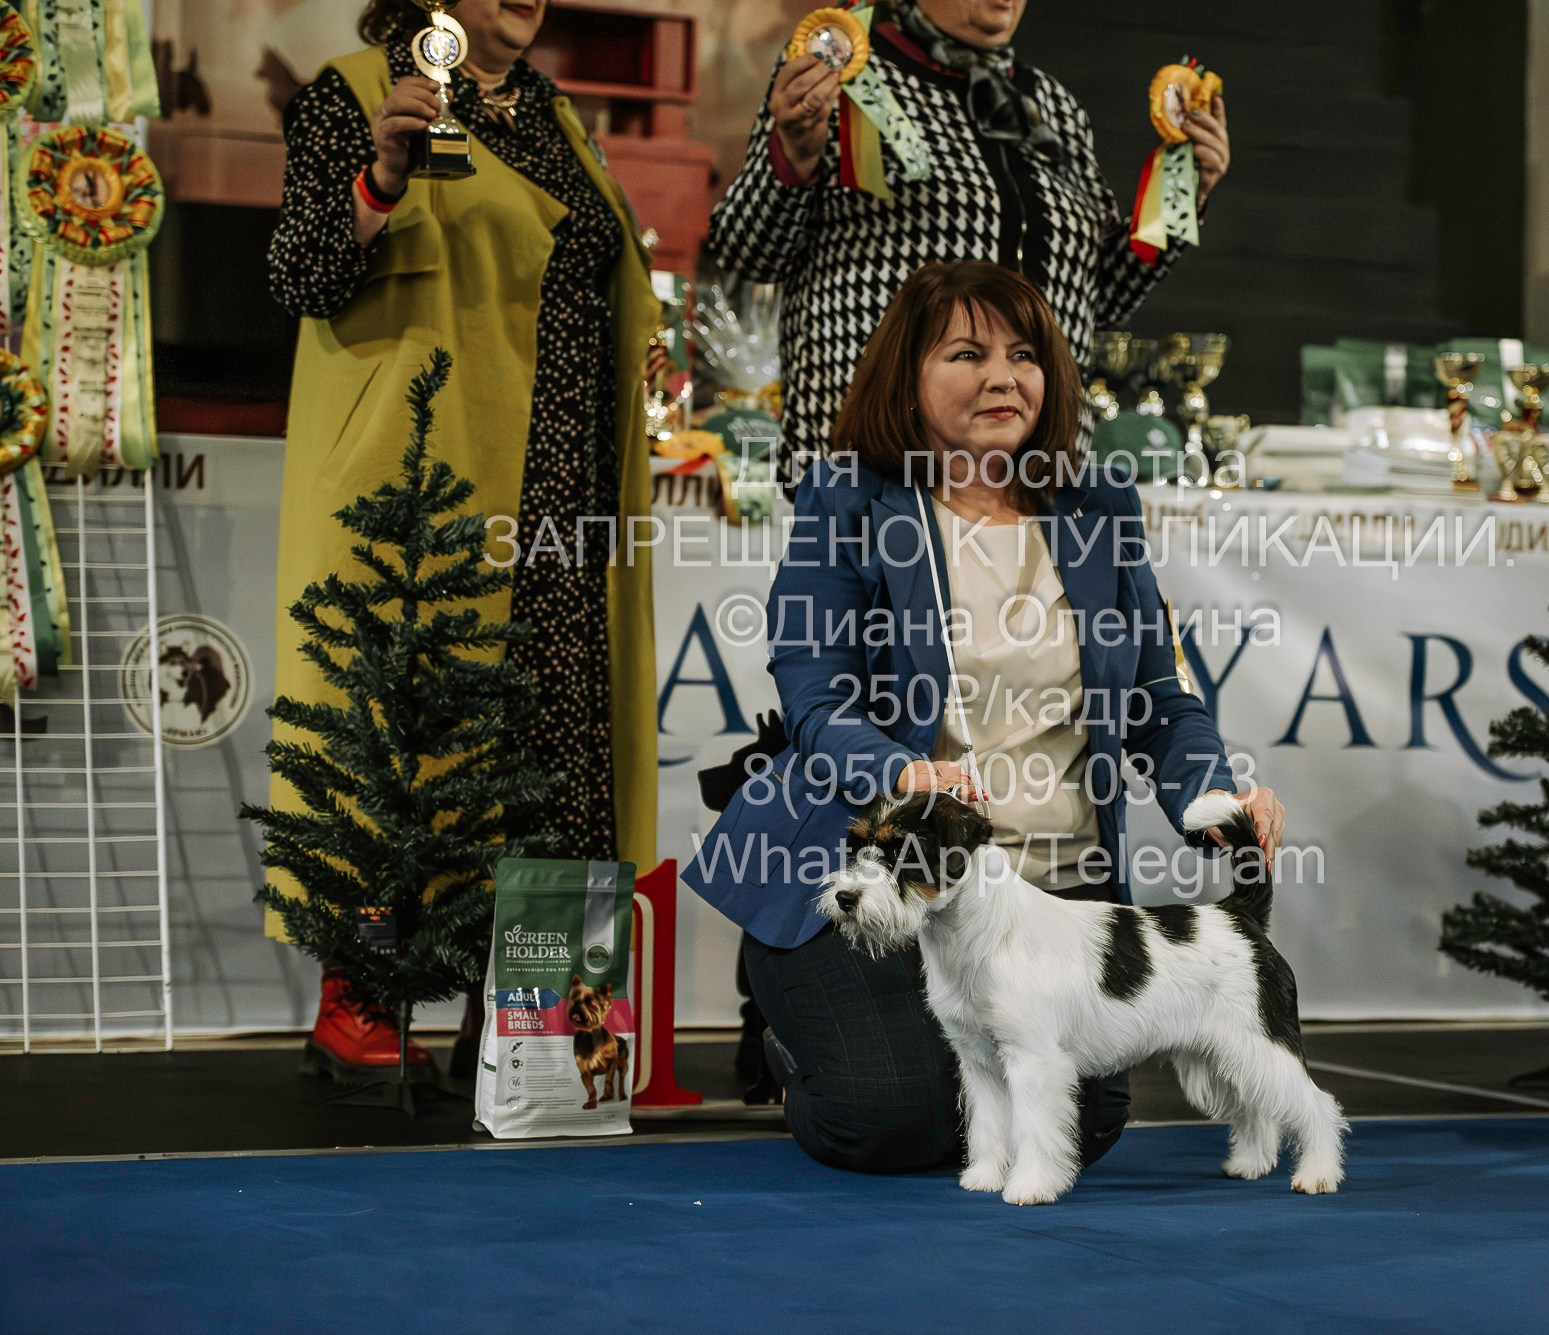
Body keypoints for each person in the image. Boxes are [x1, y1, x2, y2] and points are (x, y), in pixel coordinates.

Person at [684, 261, 1285, 1172]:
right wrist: (898, 772)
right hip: (880, 866)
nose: (1005, 377)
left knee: (1073, 1120)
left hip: (1051, 894)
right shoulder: (848, 498)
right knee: (886, 1120)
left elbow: (1162, 698)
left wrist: (1216, 802)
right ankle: (791, 1033)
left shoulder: (1099, 507)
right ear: (908, 377)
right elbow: (816, 695)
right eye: (968, 353)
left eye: (1024, 355)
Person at [264, 0, 660, 1079]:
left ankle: (542, 1033)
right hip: (426, 473)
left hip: (564, 485)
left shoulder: (551, 113)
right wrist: (379, 178)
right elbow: (300, 276)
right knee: (411, 732)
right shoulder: (353, 93)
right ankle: (368, 997)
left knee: (557, 751)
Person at [707, 0, 1231, 492]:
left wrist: (1183, 192)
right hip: (881, 471)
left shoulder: (1052, 105)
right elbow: (749, 251)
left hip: (1039, 476)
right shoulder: (839, 72)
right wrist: (793, 156)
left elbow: (1098, 299)